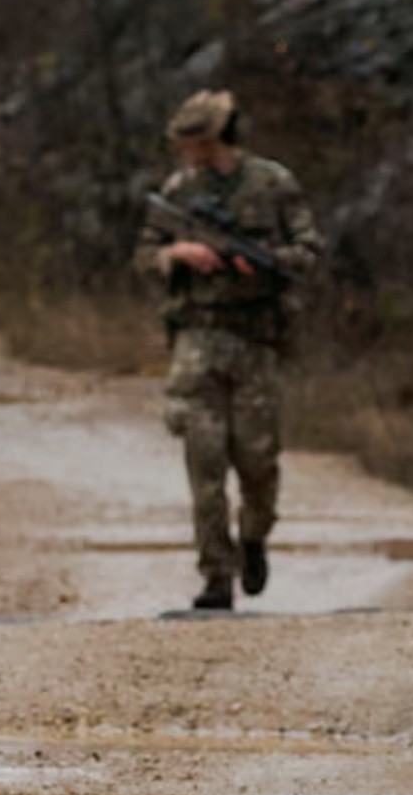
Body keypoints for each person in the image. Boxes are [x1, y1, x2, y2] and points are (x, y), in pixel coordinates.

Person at [133, 91, 323, 611]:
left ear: (212, 140)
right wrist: (179, 254)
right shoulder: (179, 192)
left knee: (258, 464)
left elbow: (309, 251)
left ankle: (254, 539)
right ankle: (216, 576)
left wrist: (263, 264)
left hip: (256, 342)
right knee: (205, 464)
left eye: (192, 143)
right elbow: (146, 255)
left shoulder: (273, 183)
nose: (185, 152)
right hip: (197, 342)